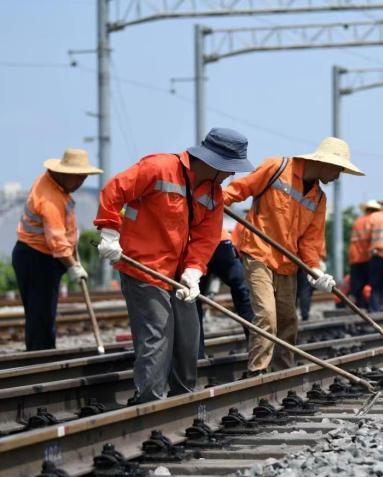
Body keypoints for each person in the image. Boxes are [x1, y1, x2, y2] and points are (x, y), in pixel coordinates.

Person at [94, 128, 252, 403]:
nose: (232, 175)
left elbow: (206, 238)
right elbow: (114, 190)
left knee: (189, 337)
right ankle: (151, 401)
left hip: (178, 274)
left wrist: (194, 272)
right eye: (230, 168)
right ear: (214, 163)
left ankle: (182, 401)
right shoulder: (159, 167)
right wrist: (109, 231)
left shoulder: (214, 194)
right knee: (157, 335)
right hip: (143, 267)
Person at [223, 137, 364, 377]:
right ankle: (257, 371)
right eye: (338, 169)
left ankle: (283, 374)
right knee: (267, 314)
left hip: (288, 263)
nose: (338, 176)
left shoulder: (318, 198)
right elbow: (239, 190)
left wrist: (315, 269)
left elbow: (311, 241)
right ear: (324, 163)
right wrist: (210, 205)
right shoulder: (276, 168)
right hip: (258, 251)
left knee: (288, 320)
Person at [13, 149, 102, 351]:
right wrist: (74, 266)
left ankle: (42, 355)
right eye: (79, 178)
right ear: (65, 174)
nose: (81, 183)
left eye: (84, 178)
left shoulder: (51, 183)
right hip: (37, 258)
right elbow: (57, 243)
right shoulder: (50, 199)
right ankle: (41, 360)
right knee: (41, 317)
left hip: (37, 255)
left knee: (41, 314)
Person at [195, 224, 256, 358]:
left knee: (242, 289)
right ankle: (197, 359)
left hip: (215, 241)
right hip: (196, 244)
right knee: (192, 299)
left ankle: (257, 349)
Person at [349, 200, 382, 308]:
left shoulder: (358, 221)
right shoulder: (374, 221)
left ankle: (359, 307)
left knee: (357, 286)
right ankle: (370, 307)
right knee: (374, 286)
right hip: (368, 257)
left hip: (355, 258)